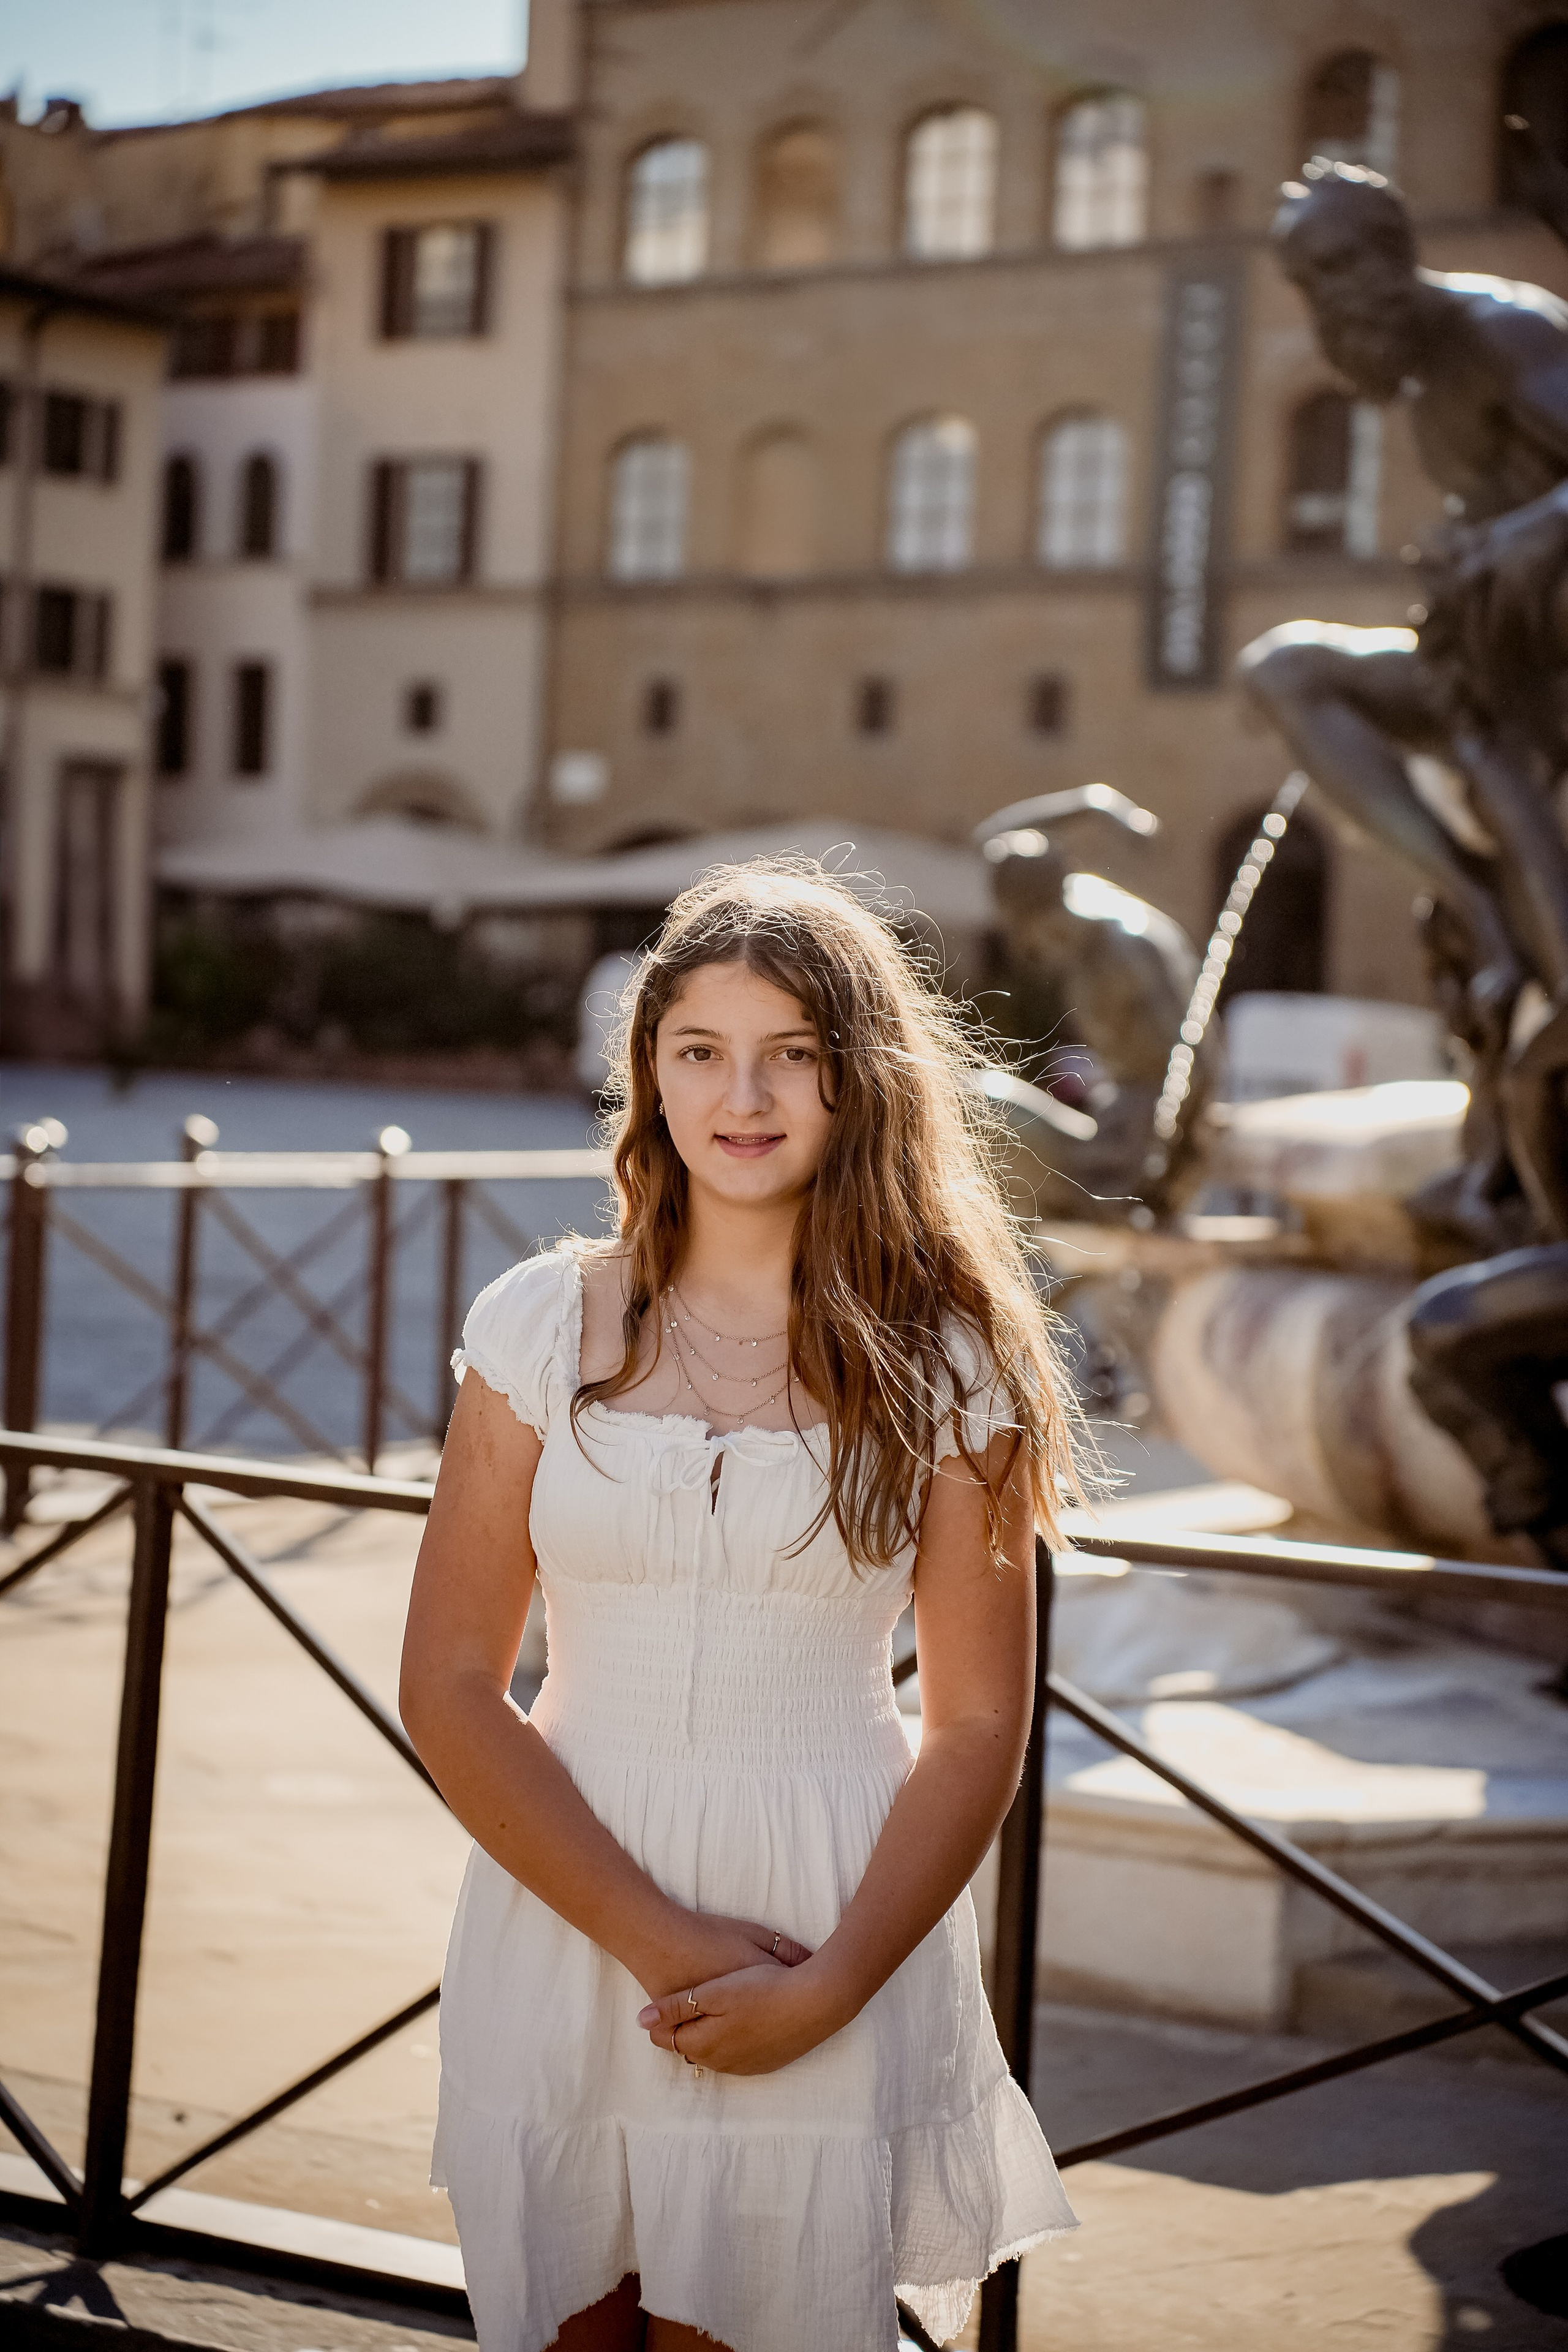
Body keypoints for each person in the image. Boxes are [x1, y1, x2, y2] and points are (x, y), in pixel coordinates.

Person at [400, 860, 1080, 2352]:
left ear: (857, 1085)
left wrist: (831, 1983)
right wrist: (651, 1936)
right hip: (565, 1906)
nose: (743, 1094)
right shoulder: (540, 1324)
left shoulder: (946, 1359)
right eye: (698, 1050)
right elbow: (449, 1684)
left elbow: (973, 1726)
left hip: (826, 1912)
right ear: (647, 1074)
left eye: (790, 1054)